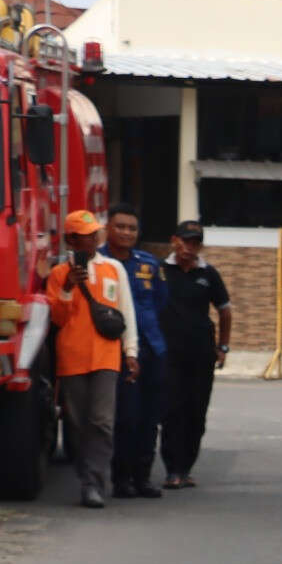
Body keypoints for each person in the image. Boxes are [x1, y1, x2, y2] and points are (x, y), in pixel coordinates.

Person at [42, 209, 138, 509]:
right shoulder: (58, 274)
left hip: (107, 356)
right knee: (77, 424)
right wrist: (69, 285)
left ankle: (94, 484)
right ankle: (87, 477)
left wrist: (131, 352)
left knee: (102, 422)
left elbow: (126, 311)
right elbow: (57, 317)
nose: (92, 241)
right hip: (72, 356)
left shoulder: (113, 268)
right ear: (71, 239)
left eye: (94, 234)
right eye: (85, 236)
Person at [158, 220, 231, 489]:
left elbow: (225, 310)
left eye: (195, 243)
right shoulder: (160, 271)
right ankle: (172, 470)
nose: (190, 247)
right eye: (185, 241)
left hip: (201, 354)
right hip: (169, 354)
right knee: (171, 410)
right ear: (174, 240)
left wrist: (223, 346)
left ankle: (186, 467)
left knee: (196, 413)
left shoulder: (208, 274)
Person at [105, 204, 167, 499]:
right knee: (124, 418)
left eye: (132, 228)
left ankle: (143, 477)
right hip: (114, 350)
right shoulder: (99, 262)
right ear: (108, 228)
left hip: (151, 349)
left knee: (149, 418)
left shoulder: (149, 264)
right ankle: (121, 479)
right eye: (120, 226)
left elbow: (160, 302)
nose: (126, 233)